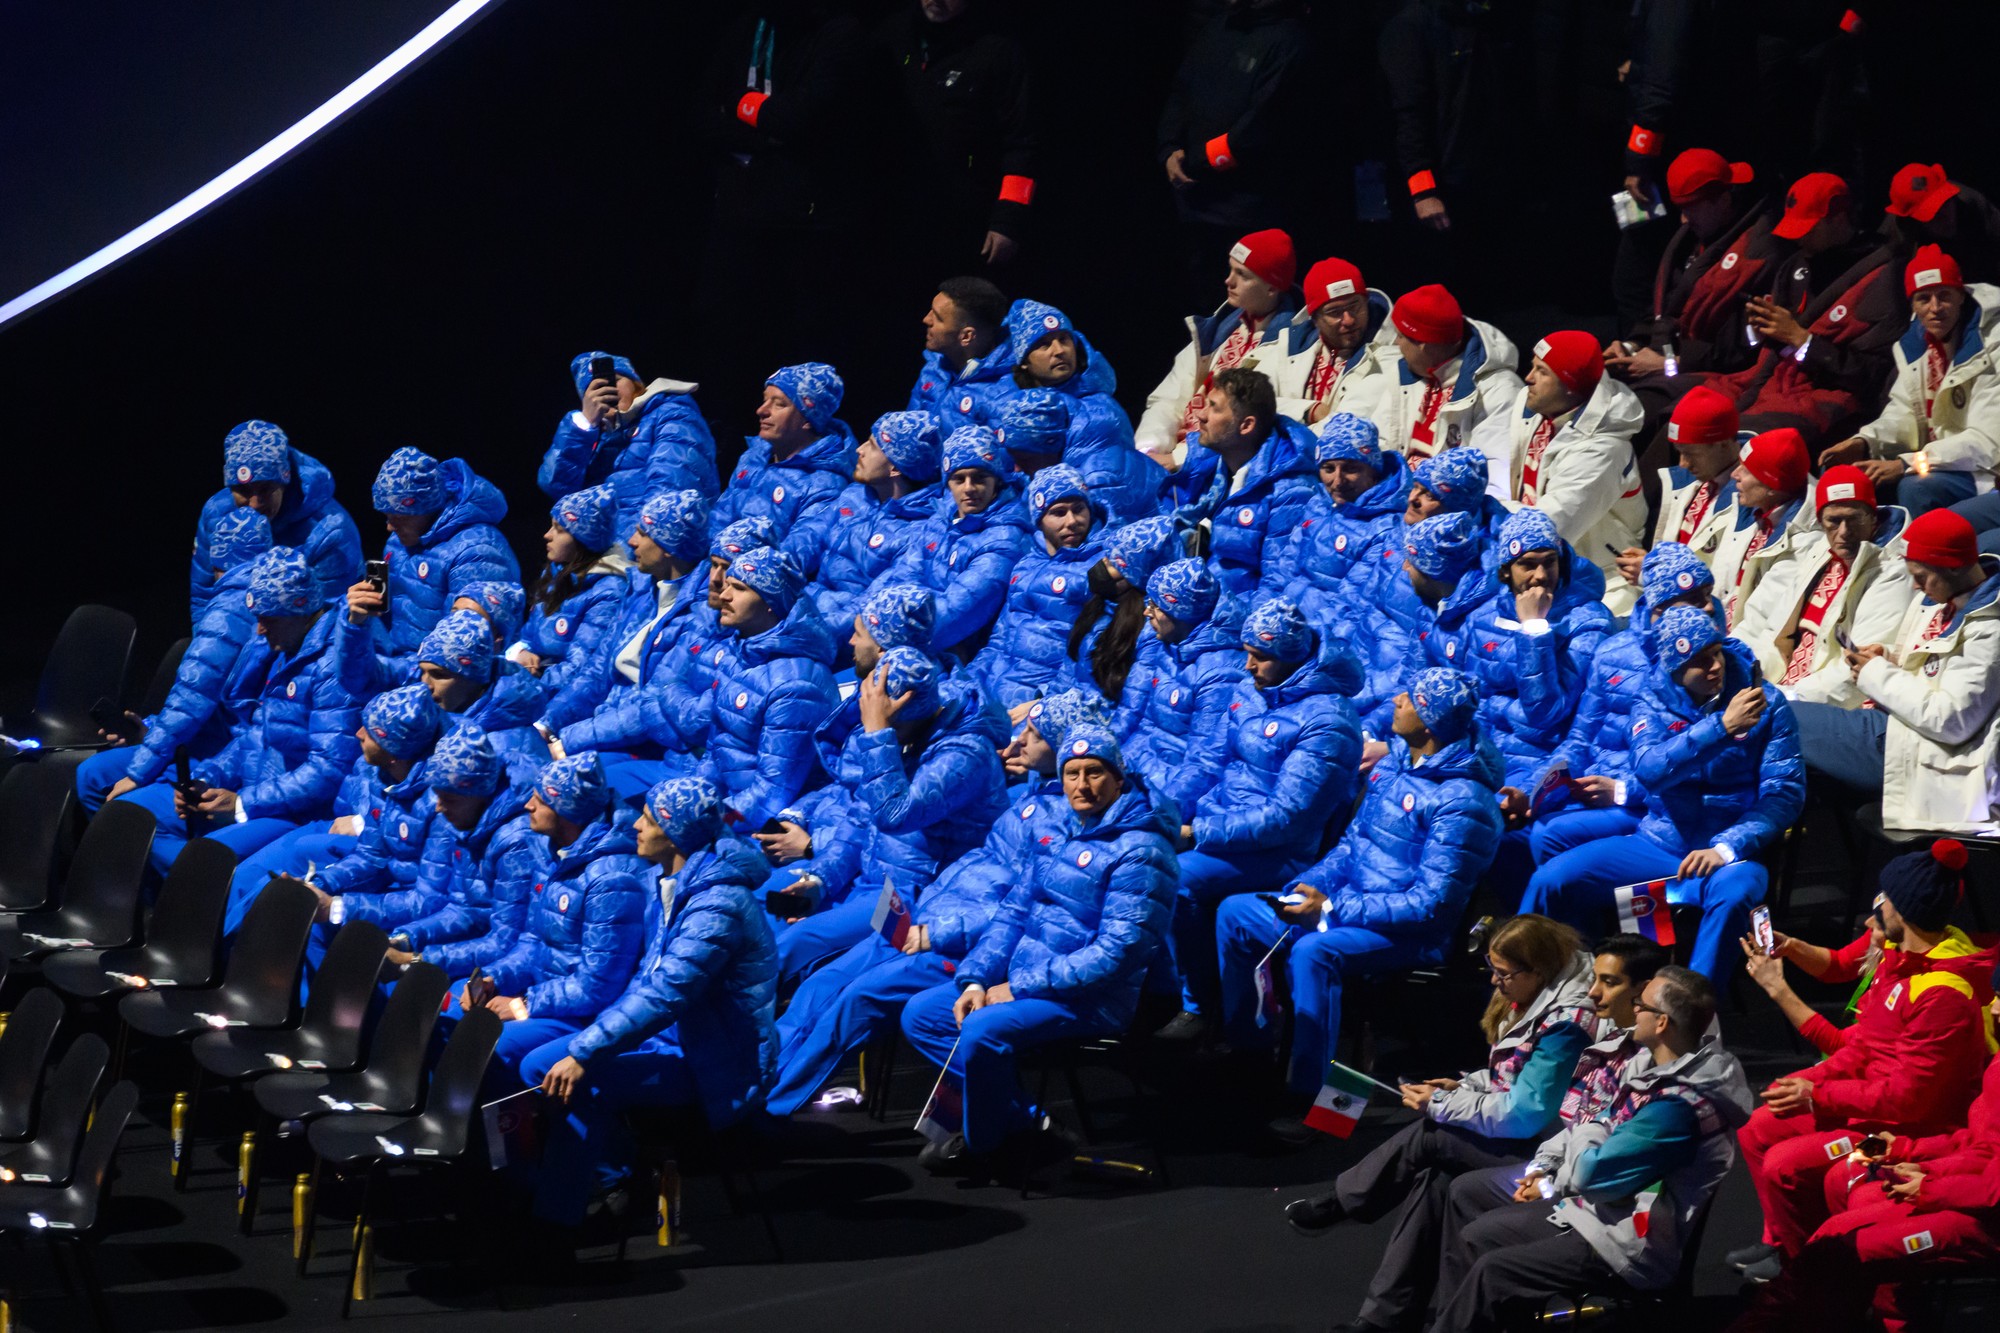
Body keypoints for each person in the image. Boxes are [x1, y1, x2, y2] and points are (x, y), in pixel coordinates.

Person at [1282, 915, 1597, 1333]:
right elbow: (1516, 1080)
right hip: (1535, 1138)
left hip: (1548, 1154)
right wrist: (1464, 1084)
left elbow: (1525, 1116)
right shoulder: (1543, 993)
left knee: (1431, 1136)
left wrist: (1444, 1103)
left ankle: (1345, 1203)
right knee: (1437, 1179)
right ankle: (1386, 1319)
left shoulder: (1567, 1023)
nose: (1493, 983)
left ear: (1536, 969)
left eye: (1503, 974)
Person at [1214, 668, 1504, 1120]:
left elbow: (1432, 905)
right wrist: (1310, 887)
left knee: (1314, 951)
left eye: (1411, 699)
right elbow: (1350, 845)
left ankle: (1312, 1101)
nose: (1398, 700)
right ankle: (1251, 1051)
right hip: (1345, 906)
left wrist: (1330, 908)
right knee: (1235, 912)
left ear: (1430, 722)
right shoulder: (1392, 767)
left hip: (1411, 933)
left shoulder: (1464, 802)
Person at [900, 725, 1177, 1177]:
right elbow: (1011, 915)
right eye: (1071, 774)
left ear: (1119, 779)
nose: (1081, 786)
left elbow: (1115, 955)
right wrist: (975, 980)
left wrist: (1019, 987)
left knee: (983, 1031)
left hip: (1092, 999)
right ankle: (1023, 1126)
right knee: (923, 1014)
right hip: (1027, 983)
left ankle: (984, 1147)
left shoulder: (1143, 851)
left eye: (1093, 773)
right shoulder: (1059, 829)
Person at [1428, 968, 1755, 1333]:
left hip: (1626, 1244)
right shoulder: (1650, 1067)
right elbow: (1595, 1140)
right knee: (1475, 1229)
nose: (1633, 1010)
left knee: (1493, 1271)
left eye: (1639, 1005)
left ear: (1662, 1023)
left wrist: (1574, 1149)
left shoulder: (1676, 1110)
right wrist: (1547, 1166)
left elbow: (1592, 1173)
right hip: (1597, 1212)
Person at [1729, 842, 1998, 1282]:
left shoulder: (1941, 993)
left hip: (1909, 1128)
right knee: (1757, 1128)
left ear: (1903, 910)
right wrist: (1812, 1079)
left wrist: (1819, 1094)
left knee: (1788, 1163)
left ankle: (1807, 1274)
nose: (1874, 911)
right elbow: (1864, 1046)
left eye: (1884, 900)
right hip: (1871, 1101)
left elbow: (1907, 1102)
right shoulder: (1898, 956)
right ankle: (1788, 1249)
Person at [519, 777, 777, 1230]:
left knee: (579, 1081)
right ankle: (605, 1181)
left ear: (675, 833)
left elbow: (667, 994)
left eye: (649, 818)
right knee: (537, 1064)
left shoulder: (717, 905)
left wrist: (586, 1050)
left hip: (711, 1062)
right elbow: (645, 983)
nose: (635, 824)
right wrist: (593, 1038)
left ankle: (557, 1229)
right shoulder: (671, 882)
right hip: (666, 1042)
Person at [1522, 605, 1804, 981]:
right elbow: (1650, 771)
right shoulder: (1651, 699)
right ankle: (1559, 988)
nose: (1715, 666)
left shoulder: (1765, 703)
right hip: (1659, 844)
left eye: (1716, 653)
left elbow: (1783, 795)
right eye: (1700, 661)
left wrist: (1725, 847)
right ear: (1675, 669)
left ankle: (1693, 1012)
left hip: (1729, 857)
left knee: (1735, 895)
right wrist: (1720, 728)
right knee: (1549, 882)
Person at [1728, 988, 2000, 1331]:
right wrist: (1910, 1155)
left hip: (1982, 1215)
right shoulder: (1898, 974)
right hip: (1928, 1156)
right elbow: (1981, 1145)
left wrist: (1929, 1186)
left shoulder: (1942, 994)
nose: (1992, 1005)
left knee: (1809, 1193)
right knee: (1839, 1193)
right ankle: (1819, 1297)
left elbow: (1909, 1100)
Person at [1164, 598, 1363, 1039]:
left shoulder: (1329, 720)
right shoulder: (1249, 691)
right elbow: (1208, 762)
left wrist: (1196, 833)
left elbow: (1287, 818)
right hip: (1222, 827)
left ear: (1291, 659)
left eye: (1260, 657)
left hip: (1282, 852)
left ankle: (1201, 1005)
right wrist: (1164, 813)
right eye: (1247, 652)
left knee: (1177, 878)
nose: (1248, 665)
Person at [113, 548, 362, 879]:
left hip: (294, 812)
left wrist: (243, 803)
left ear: (300, 610)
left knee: (200, 862)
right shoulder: (284, 648)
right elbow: (254, 735)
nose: (258, 631)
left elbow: (327, 772)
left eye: (267, 620)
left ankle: (199, 897)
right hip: (251, 791)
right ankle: (185, 898)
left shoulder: (334, 668)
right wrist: (208, 779)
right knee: (127, 815)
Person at [768, 644, 1010, 982]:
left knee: (798, 946)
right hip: (863, 879)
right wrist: (819, 880)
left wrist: (877, 733)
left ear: (904, 709)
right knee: (767, 907)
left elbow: (894, 815)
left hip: (908, 896)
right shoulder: (902, 738)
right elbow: (859, 821)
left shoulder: (965, 755)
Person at [1793, 508, 2000, 832]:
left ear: (1956, 568)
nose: (1916, 588)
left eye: (1921, 576)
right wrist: (1888, 660)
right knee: (1774, 725)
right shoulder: (1940, 597)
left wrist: (1878, 674)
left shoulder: (1991, 627)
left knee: (1778, 715)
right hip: (1898, 726)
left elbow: (1951, 721)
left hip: (1930, 754)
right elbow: (1928, 675)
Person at [455, 753, 649, 1079]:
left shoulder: (612, 880)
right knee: (454, 1002)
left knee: (489, 1041)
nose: (528, 806)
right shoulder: (552, 852)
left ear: (567, 812)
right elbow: (532, 942)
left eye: (540, 800)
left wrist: (524, 1005)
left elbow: (598, 986)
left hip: (586, 1015)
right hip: (550, 994)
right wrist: (495, 979)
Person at [1526, 544, 1717, 866]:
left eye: (1709, 594)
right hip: (1594, 788)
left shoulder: (1712, 663)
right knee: (1518, 829)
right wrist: (1546, 785)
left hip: (1655, 807)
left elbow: (1698, 765)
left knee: (1548, 836)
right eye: (1698, 599)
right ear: (1661, 606)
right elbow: (1581, 737)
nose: (1711, 608)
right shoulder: (1613, 652)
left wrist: (1620, 790)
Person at [82, 508, 273, 810]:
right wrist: (151, 728)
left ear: (215, 559)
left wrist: (139, 771)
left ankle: (176, 856)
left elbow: (191, 699)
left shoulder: (227, 611)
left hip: (217, 750)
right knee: (93, 773)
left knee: (96, 784)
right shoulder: (265, 597)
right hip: (215, 740)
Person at [217, 682, 442, 937]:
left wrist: (338, 907)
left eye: (370, 731)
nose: (358, 733)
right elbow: (371, 856)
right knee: (272, 890)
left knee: (301, 924)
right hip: (375, 881)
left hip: (407, 915)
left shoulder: (437, 805)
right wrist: (316, 884)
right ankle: (211, 948)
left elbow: (428, 900)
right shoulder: (387, 783)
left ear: (394, 752)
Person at [1707, 172, 1903, 451]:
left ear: (1838, 217)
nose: (1799, 238)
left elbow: (1874, 374)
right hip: (1769, 383)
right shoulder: (1794, 266)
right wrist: (1758, 331)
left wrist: (1802, 341)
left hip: (1830, 396)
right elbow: (1753, 351)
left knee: (1745, 442)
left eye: (1808, 228)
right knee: (1689, 421)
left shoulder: (1882, 275)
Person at [1818, 245, 2000, 516]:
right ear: (1912, 304)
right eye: (1924, 299)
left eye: (1944, 296)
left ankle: (1920, 556)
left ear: (1961, 297)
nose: (1935, 308)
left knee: (1916, 488)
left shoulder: (1993, 345)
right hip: (1943, 462)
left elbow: (1987, 442)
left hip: (1987, 470)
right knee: (1847, 476)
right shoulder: (1916, 347)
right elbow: (1904, 414)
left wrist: (1908, 463)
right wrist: (1865, 443)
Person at [1471, 330, 1647, 610]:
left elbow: (1547, 527)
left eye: (1542, 372)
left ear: (1570, 386)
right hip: (1538, 570)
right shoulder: (1533, 405)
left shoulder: (1603, 450)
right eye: (1532, 366)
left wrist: (1481, 504)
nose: (1528, 378)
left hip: (1600, 585)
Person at [1154, 0, 1314, 302]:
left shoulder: (1290, 38)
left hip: (1248, 211)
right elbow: (1181, 90)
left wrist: (1195, 161)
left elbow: (1258, 127)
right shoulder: (1218, 26)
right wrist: (1170, 146)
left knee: (1249, 310)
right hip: (1193, 205)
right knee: (1197, 307)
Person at [339, 447, 519, 688]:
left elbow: (462, 655)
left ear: (425, 509)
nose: (389, 527)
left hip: (443, 684)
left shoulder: (478, 553)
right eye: (387, 516)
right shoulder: (399, 543)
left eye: (398, 517)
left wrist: (389, 683)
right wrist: (361, 620)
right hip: (404, 670)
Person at [876, 4, 1036, 270]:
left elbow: (1021, 146)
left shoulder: (998, 52)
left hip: (961, 222)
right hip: (890, 215)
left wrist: (1008, 220)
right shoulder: (892, 35)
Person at [1733, 466, 1913, 701]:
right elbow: (1764, 625)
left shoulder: (1892, 573)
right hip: (1777, 686)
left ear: (1873, 519)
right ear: (1819, 521)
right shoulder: (1813, 551)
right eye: (1834, 521)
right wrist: (1737, 669)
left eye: (1854, 519)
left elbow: (1861, 665)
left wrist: (1794, 696)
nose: (1844, 532)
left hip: (1830, 703)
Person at [1135, 228, 1301, 466]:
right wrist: (1149, 449)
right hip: (1170, 459)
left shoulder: (1293, 349)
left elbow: (1253, 428)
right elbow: (1168, 399)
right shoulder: (1218, 331)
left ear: (1272, 288)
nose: (1228, 281)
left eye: (1242, 275)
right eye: (1230, 269)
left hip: (1223, 469)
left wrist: (1178, 459)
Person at [871, 425, 1031, 656]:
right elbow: (903, 574)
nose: (969, 488)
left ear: (996, 481)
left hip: (950, 655)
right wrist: (872, 620)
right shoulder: (941, 518)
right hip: (905, 637)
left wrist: (885, 633)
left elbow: (954, 617)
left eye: (979, 478)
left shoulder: (1005, 540)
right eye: (959, 479)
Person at [1162, 366, 1318, 598]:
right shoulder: (1210, 463)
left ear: (1246, 425)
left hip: (1235, 616)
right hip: (1200, 599)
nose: (1201, 416)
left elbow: (1276, 586)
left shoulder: (1291, 491)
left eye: (1214, 408)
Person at [537, 349, 718, 537]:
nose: (609, 390)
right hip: (605, 551)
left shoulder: (672, 414)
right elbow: (557, 487)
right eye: (594, 389)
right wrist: (584, 426)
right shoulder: (593, 436)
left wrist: (621, 551)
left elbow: (670, 491)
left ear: (635, 384)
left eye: (615, 380)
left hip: (649, 547)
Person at [189, 420, 362, 614]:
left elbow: (330, 619)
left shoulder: (329, 529)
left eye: (265, 489)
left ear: (284, 482)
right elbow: (203, 595)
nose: (254, 504)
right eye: (242, 490)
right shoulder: (216, 515)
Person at [968, 465, 1105, 708]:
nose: (1072, 521)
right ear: (1039, 521)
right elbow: (999, 640)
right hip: (994, 692)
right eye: (1059, 512)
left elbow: (1093, 653)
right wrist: (968, 683)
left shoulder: (1101, 567)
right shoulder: (1025, 564)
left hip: (1045, 701)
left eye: (1079, 509)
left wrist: (1043, 702)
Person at [1115, 558, 1240, 819]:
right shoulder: (1171, 645)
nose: (1146, 612)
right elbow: (1140, 723)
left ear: (1180, 612)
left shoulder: (1219, 675)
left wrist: (1159, 817)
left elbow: (1204, 764)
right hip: (1132, 776)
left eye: (1155, 605)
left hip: (1164, 794)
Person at [809, 410, 945, 637]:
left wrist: (806, 630)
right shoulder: (855, 495)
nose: (859, 450)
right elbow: (807, 537)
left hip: (843, 636)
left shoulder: (920, 533)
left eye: (872, 446)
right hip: (806, 606)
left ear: (896, 467)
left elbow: (868, 605)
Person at [711, 364, 859, 571]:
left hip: (754, 589)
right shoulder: (755, 456)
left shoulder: (825, 486)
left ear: (807, 419)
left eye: (779, 404)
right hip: (715, 573)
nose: (761, 411)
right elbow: (718, 519)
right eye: (765, 400)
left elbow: (792, 559)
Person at [1271, 413, 1412, 625]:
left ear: (1374, 472)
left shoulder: (1388, 530)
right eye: (1328, 469)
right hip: (1281, 622)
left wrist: (1289, 635)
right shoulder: (1318, 504)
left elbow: (1351, 605)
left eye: (1350, 469)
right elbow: (1280, 572)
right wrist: (1260, 615)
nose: (1337, 481)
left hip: (1324, 637)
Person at [510, 485, 631, 725]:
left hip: (566, 705)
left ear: (583, 540)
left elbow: (581, 668)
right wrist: (520, 653)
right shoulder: (557, 573)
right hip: (536, 684)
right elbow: (528, 637)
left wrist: (527, 680)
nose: (547, 535)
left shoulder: (609, 593)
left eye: (560, 530)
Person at [1365, 285, 1523, 461]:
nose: (1396, 344)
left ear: (1422, 344)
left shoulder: (1499, 391)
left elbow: (1494, 474)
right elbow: (1381, 441)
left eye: (1400, 336)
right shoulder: (1405, 372)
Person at [994, 388, 1161, 525]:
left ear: (1050, 445)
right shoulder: (1069, 427)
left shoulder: (1097, 481)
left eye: (1024, 459)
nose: (1017, 468)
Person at [996, 301, 1136, 465]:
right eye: (1044, 344)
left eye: (1064, 339)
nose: (1059, 351)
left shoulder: (1102, 413)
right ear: (1024, 361)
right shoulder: (1007, 410)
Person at [1269, 256, 1395, 426]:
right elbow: (1251, 402)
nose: (1349, 320)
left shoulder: (1387, 359)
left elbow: (1343, 427)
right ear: (1314, 319)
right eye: (1335, 312)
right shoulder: (1288, 346)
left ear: (1366, 302)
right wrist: (1310, 410)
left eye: (1355, 307)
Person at [1738, 919, 1888, 1058]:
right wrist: (1791, 947)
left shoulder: (1906, 988)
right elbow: (1840, 964)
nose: (1868, 922)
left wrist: (1775, 986)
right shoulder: (1893, 933)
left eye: (1880, 919)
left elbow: (1841, 1045)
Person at [1713, 426, 1815, 627]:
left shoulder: (1801, 542)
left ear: (1771, 487)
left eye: (1746, 471)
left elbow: (1759, 622)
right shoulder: (1749, 507)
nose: (1734, 475)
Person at [1646, 382, 1742, 563]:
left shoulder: (1751, 501)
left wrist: (1652, 573)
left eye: (1691, 454)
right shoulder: (1685, 481)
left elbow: (1722, 583)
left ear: (1723, 443)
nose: (1683, 464)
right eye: (1679, 452)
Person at [909, 277, 1014, 426]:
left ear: (966, 336)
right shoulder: (933, 368)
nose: (926, 319)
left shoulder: (1004, 396)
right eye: (930, 311)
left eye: (937, 318)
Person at [1880, 160, 2000, 286]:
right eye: (1932, 214)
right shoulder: (1895, 240)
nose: (1946, 217)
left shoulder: (1970, 202)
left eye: (1945, 204)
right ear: (1912, 221)